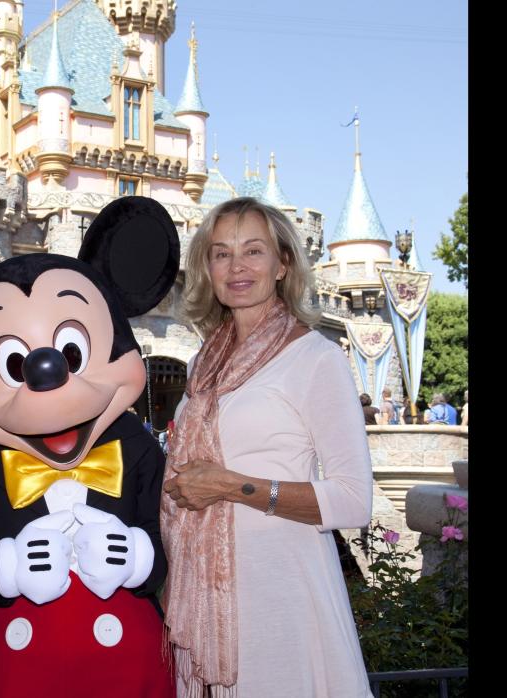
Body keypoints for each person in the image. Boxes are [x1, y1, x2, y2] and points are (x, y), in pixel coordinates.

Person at [160, 197, 374, 697]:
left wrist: (234, 487)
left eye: (253, 251)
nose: (237, 267)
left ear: (282, 265)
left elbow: (352, 500)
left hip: (284, 594)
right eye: (221, 253)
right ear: (206, 269)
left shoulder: (315, 358)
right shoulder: (201, 367)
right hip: (207, 601)